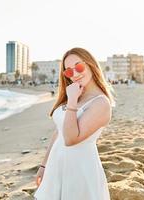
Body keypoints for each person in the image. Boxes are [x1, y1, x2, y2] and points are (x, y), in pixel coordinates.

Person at [34, 47, 115, 200]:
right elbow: (59, 132)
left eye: (79, 67)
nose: (75, 74)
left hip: (79, 170)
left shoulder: (100, 103)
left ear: (90, 64)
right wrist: (44, 166)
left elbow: (71, 139)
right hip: (57, 166)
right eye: (69, 72)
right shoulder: (76, 93)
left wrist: (71, 101)